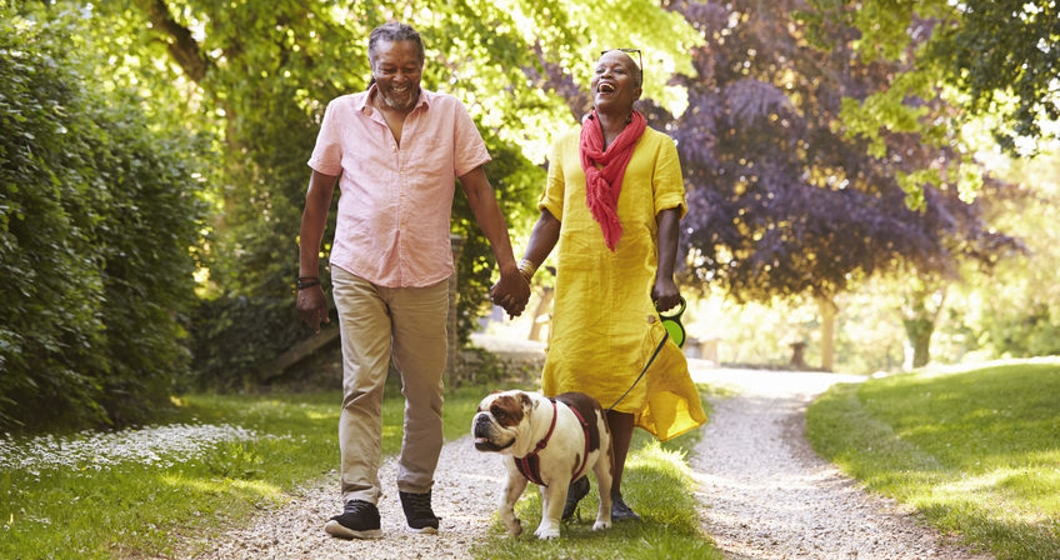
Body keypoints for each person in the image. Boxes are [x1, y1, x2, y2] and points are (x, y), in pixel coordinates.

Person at [296, 22, 530, 540]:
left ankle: (415, 489)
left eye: (410, 67)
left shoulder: (449, 114)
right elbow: (317, 198)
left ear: (422, 67)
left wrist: (508, 267)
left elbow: (479, 191)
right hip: (358, 268)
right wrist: (306, 278)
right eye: (389, 68)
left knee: (425, 393)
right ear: (372, 69)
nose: (400, 78)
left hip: (425, 274)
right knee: (362, 386)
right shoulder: (341, 114)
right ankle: (360, 501)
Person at [517, 49, 707, 522]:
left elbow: (668, 213)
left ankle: (612, 494)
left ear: (636, 89)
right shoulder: (565, 145)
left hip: (630, 281)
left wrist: (665, 275)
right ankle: (572, 479)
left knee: (622, 386)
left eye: (618, 70)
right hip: (578, 282)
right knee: (569, 376)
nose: (606, 75)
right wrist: (523, 271)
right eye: (600, 70)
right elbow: (551, 215)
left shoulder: (659, 147)